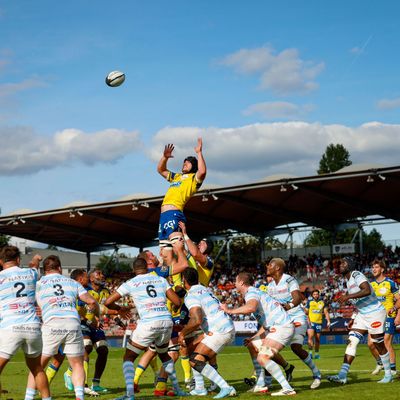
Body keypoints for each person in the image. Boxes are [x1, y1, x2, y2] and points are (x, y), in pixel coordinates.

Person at [104, 257, 186, 400]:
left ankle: (129, 395)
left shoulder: (131, 283)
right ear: (147, 268)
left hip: (149, 322)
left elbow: (107, 302)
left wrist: (120, 309)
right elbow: (177, 301)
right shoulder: (160, 279)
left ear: (133, 270)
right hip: (166, 321)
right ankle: (178, 390)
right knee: (164, 355)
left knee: (128, 357)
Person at [25, 255, 100, 400]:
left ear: (45, 270)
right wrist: (95, 317)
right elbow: (91, 301)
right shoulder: (72, 282)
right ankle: (79, 396)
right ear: (59, 268)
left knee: (37, 366)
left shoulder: (38, 283)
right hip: (72, 322)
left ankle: (29, 397)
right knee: (77, 363)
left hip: (52, 323)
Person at [222, 272, 296, 396]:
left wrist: (229, 311)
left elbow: (250, 308)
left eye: (235, 281)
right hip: (276, 326)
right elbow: (266, 323)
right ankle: (261, 384)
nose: (234, 284)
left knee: (263, 357)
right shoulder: (254, 292)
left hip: (281, 327)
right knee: (252, 345)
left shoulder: (251, 293)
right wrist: (253, 337)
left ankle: (287, 388)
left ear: (241, 282)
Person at [327, 257, 393, 384]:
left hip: (375, 313)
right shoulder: (347, 281)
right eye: (340, 263)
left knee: (378, 344)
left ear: (350, 265)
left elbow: (367, 290)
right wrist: (353, 317)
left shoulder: (356, 274)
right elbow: (358, 303)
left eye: (344, 263)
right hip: (362, 314)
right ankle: (342, 375)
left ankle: (388, 375)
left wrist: (347, 296)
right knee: (352, 341)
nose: (341, 265)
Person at [0, 246, 51, 400]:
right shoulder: (31, 273)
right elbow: (34, 264)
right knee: (37, 368)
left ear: (1, 261)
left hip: (10, 326)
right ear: (18, 260)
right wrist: (36, 258)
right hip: (32, 327)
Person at [178, 267, 236, 399]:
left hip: (220, 330)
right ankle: (200, 388)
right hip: (226, 326)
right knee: (195, 354)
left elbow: (197, 320)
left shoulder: (190, 296)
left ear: (184, 280)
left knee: (194, 360)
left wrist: (182, 333)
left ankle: (226, 387)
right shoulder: (204, 289)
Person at [266, 258, 321, 389]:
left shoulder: (289, 279)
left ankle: (317, 374)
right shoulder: (270, 286)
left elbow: (297, 297)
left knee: (296, 347)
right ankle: (266, 383)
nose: (268, 266)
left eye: (271, 265)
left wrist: (288, 306)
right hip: (281, 321)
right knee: (268, 349)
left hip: (296, 317)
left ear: (278, 268)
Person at [157, 138, 206, 241]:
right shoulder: (177, 176)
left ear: (194, 166)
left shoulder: (193, 178)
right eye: (184, 162)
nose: (185, 163)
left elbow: (202, 172)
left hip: (174, 213)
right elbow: (161, 170)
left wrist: (199, 153)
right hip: (163, 215)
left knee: (177, 246)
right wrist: (164, 158)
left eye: (188, 162)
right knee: (165, 251)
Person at [368, 259, 400, 376]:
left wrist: (397, 314)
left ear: (382, 269)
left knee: (386, 342)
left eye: (376, 267)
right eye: (372, 267)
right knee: (371, 344)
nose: (374, 269)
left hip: (389, 316)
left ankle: (392, 369)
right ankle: (380, 363)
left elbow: (399, 300)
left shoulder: (391, 283)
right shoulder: (370, 286)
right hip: (375, 318)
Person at [305, 289, 331, 359]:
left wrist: (328, 321)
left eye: (317, 294)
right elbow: (306, 313)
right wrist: (308, 321)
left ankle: (316, 354)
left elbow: (326, 312)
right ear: (312, 295)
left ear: (318, 295)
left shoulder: (322, 302)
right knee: (310, 337)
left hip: (319, 323)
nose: (316, 295)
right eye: (314, 294)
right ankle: (310, 353)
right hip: (311, 322)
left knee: (317, 339)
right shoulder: (309, 302)